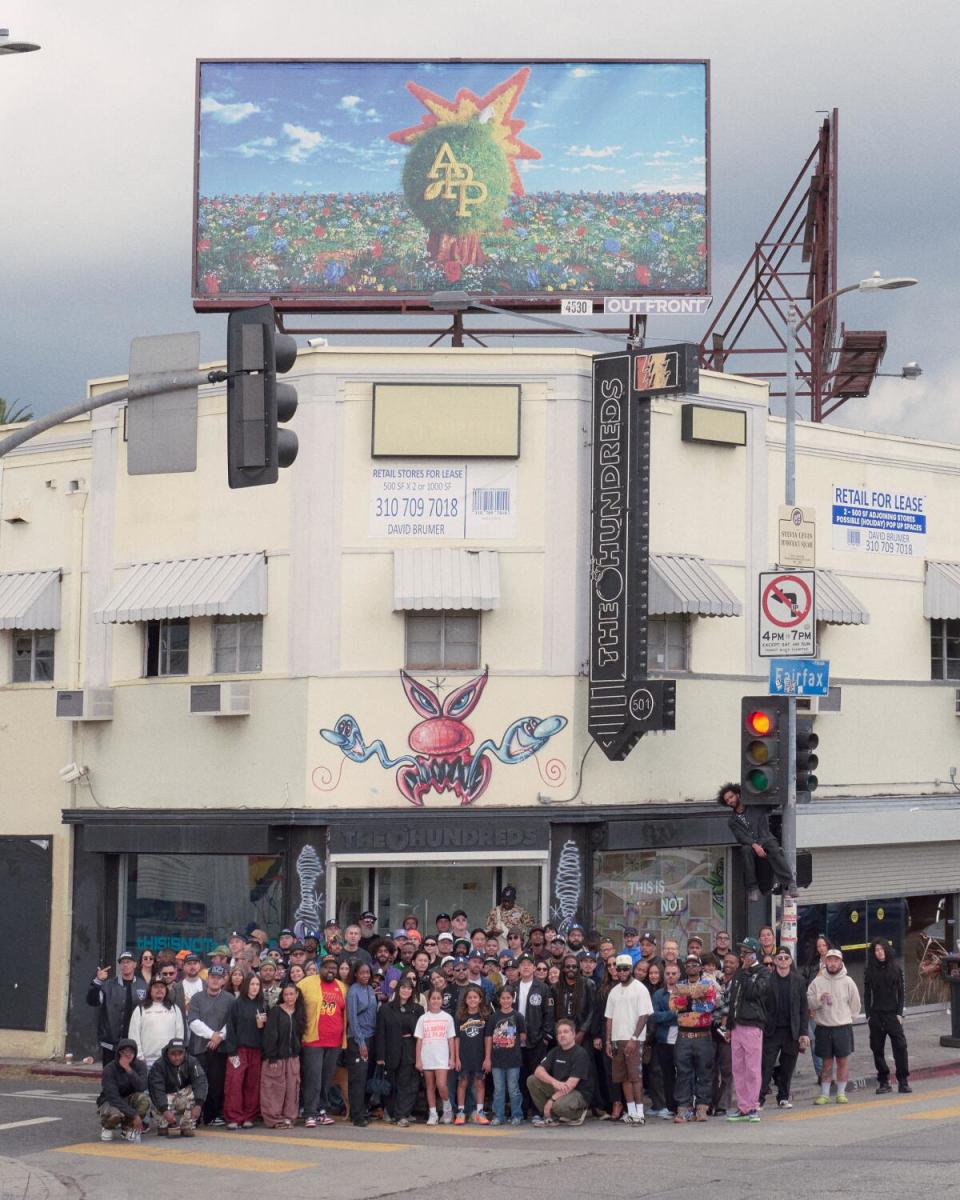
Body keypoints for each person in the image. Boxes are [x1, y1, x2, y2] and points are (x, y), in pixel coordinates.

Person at [718, 782, 796, 899]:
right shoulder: (732, 821)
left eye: (731, 797)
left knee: (774, 850)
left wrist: (772, 789)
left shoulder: (756, 806)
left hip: (766, 839)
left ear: (738, 794)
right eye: (727, 800)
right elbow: (741, 837)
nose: (730, 801)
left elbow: (774, 803)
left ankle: (790, 883)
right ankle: (752, 888)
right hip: (751, 845)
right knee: (745, 850)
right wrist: (755, 845)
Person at [604, 953, 653, 1126]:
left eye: (625, 968)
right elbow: (609, 1017)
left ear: (631, 969)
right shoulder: (614, 991)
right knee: (623, 1078)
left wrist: (634, 1038)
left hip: (634, 1039)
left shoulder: (640, 988)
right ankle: (631, 1111)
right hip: (617, 1039)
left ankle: (640, 1112)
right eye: (619, 969)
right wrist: (608, 1041)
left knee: (635, 1077)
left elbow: (644, 1015)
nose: (622, 972)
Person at [808, 948, 861, 1105]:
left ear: (841, 962)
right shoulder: (817, 981)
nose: (832, 963)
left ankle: (841, 1092)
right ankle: (824, 1093)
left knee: (843, 1061)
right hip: (824, 1027)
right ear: (825, 962)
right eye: (829, 960)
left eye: (836, 960)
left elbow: (855, 1004)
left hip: (842, 1027)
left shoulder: (848, 981)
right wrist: (819, 999)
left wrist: (847, 1018)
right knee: (826, 1063)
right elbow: (809, 1002)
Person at [298, 954, 346, 1128]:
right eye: (327, 967)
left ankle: (322, 1110)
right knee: (313, 1078)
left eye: (334, 968)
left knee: (326, 1078)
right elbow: (292, 1002)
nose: (330, 971)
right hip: (313, 1040)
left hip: (334, 1042)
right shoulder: (306, 983)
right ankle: (309, 1112)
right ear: (320, 968)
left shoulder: (342, 987)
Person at [727, 937, 771, 1122]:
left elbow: (756, 993)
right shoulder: (739, 973)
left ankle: (753, 1106)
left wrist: (746, 973)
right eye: (741, 952)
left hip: (753, 1024)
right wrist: (729, 1024)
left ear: (754, 954)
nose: (742, 956)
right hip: (737, 1025)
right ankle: (742, 1106)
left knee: (752, 1068)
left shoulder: (762, 972)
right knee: (738, 1068)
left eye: (746, 952)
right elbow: (733, 1001)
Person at [759, 948, 809, 1109]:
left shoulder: (799, 980)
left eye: (786, 958)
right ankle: (759, 1099)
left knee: (788, 1066)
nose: (782, 961)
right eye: (779, 958)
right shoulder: (767, 980)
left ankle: (783, 1097)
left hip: (791, 1031)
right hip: (771, 1031)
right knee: (766, 1066)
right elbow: (762, 1006)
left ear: (790, 961)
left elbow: (803, 1009)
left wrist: (803, 1033)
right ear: (774, 961)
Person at [671, 954, 717, 1123]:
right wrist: (695, 997)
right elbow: (674, 1006)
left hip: (703, 1035)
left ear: (700, 967)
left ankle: (702, 1108)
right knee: (683, 1073)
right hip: (683, 1035)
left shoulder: (708, 984)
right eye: (688, 964)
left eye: (694, 964)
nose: (691, 967)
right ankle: (684, 1109)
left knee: (704, 1072)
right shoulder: (679, 985)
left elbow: (709, 1006)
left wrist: (687, 1001)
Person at [187, 963, 235, 1126]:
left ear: (224, 981)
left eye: (219, 978)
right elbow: (193, 1021)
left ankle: (211, 1116)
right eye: (212, 977)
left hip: (220, 1049)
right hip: (199, 1048)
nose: (215, 980)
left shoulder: (230, 999)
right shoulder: (197, 998)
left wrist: (220, 1037)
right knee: (198, 1083)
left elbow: (232, 1023)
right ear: (207, 979)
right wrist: (212, 1035)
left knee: (216, 1084)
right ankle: (195, 1117)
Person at [864, 938, 911, 1094]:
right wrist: (868, 1015)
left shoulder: (896, 968)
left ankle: (903, 1080)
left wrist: (899, 1013)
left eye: (882, 949)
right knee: (877, 1048)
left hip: (893, 1014)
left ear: (887, 950)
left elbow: (901, 993)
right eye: (876, 950)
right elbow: (867, 993)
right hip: (876, 1015)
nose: (879, 953)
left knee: (901, 1047)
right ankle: (884, 1081)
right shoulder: (870, 969)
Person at [375, 978, 423, 1128]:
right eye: (403, 987)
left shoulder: (418, 1009)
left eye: (409, 988)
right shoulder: (385, 1009)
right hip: (391, 1049)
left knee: (407, 1084)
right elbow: (380, 1033)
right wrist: (380, 1056)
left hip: (410, 1049)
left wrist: (420, 1056)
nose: (406, 991)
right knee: (392, 1083)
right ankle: (391, 1111)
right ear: (397, 989)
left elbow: (420, 1034)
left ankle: (401, 1114)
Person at [528, 1018, 593, 1126]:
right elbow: (538, 1071)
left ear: (573, 1034)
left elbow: (571, 1084)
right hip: (560, 1088)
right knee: (532, 1080)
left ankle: (578, 1113)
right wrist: (554, 1082)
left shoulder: (581, 1054)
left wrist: (551, 1100)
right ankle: (551, 1116)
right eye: (559, 1033)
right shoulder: (555, 1051)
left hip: (578, 1092)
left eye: (566, 1032)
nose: (562, 1035)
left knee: (557, 1106)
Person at [223, 972, 266, 1129]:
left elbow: (265, 1030)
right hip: (239, 1049)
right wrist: (232, 1052)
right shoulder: (237, 1003)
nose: (255, 987)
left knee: (252, 1084)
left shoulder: (262, 1004)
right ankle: (233, 1116)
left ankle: (249, 1116)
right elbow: (230, 1027)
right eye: (252, 984)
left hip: (256, 1049)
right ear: (246, 985)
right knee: (235, 1082)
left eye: (257, 984)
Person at [515, 953, 556, 1114]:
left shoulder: (543, 988)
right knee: (519, 1077)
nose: (525, 967)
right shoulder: (512, 987)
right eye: (522, 964)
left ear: (533, 967)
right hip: (516, 1041)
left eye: (528, 964)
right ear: (519, 968)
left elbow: (549, 1014)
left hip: (537, 1040)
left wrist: (545, 1037)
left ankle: (538, 1110)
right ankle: (523, 1110)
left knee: (537, 1076)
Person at [260, 982, 305, 1128]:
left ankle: (289, 1118)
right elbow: (269, 1035)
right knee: (274, 1089)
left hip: (293, 1057)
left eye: (292, 994)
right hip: (277, 1057)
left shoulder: (299, 1012)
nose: (289, 997)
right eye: (286, 994)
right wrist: (271, 1056)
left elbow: (300, 1035)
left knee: (293, 1088)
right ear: (282, 996)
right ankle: (274, 1119)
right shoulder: (276, 1011)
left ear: (297, 995)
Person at [87, 951, 141, 1065]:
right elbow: (92, 1001)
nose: (125, 965)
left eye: (128, 962)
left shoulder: (143, 986)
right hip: (110, 1042)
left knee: (130, 1077)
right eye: (122, 962)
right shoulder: (108, 985)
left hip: (133, 1041)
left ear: (135, 964)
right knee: (110, 1077)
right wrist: (97, 981)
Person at [148, 1037, 207, 1138]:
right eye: (173, 1054)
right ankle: (162, 1125)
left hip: (181, 1095)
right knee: (153, 1100)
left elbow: (200, 1081)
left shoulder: (192, 1062)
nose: (177, 1057)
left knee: (194, 1093)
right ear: (167, 1053)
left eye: (180, 1054)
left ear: (185, 1053)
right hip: (165, 1098)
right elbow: (156, 1090)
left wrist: (199, 1104)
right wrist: (165, 1110)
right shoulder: (158, 1066)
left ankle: (186, 1125)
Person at [484, 986, 526, 1126]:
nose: (506, 1000)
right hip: (497, 1060)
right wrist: (488, 1058)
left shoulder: (518, 1016)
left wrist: (511, 1040)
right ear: (499, 999)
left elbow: (523, 1036)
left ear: (513, 998)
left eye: (508, 998)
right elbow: (489, 1037)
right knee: (498, 1089)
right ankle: (499, 1115)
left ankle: (516, 1114)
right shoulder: (493, 1017)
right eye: (503, 998)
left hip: (513, 1059)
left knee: (513, 1089)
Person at [415, 988, 456, 1125]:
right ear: (429, 1000)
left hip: (442, 1058)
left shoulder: (447, 1017)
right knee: (430, 1086)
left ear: (442, 1000)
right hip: (427, 1056)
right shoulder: (423, 1018)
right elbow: (419, 1040)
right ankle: (433, 1114)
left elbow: (451, 1039)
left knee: (441, 1084)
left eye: (439, 998)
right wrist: (418, 1059)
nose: (436, 1001)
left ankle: (447, 1107)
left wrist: (452, 1058)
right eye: (433, 998)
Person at [97, 1037, 150, 1142]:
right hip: (111, 1101)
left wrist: (129, 1070)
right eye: (124, 1052)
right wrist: (134, 1115)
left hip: (129, 1098)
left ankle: (128, 1127)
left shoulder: (140, 1066)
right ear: (118, 1053)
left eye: (131, 1052)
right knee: (114, 1114)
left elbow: (142, 1087)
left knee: (144, 1099)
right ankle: (107, 1127)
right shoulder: (109, 1069)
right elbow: (113, 1097)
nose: (128, 1055)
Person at [346, 961, 379, 1127]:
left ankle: (362, 1110)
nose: (365, 975)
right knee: (357, 1078)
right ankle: (357, 1115)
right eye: (362, 972)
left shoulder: (371, 989)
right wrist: (360, 1043)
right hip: (358, 1039)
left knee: (366, 1077)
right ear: (356, 974)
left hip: (372, 1036)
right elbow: (352, 1019)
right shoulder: (353, 991)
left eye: (368, 972)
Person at [128, 978, 185, 1069]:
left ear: (166, 990)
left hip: (169, 1062)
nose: (159, 989)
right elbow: (133, 1035)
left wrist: (176, 1056)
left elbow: (179, 1034)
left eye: (162, 987)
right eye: (156, 987)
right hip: (146, 1062)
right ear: (150, 990)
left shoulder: (174, 1008)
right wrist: (139, 1057)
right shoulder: (140, 1009)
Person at [454, 984, 490, 1124]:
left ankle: (480, 1112)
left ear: (480, 999)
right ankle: (461, 1112)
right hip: (464, 1055)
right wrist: (456, 1057)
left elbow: (488, 1038)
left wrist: (487, 1058)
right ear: (465, 1000)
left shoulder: (485, 1016)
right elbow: (456, 1038)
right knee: (462, 1083)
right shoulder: (460, 1016)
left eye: (475, 997)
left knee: (479, 1083)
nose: (472, 999)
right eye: (470, 997)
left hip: (479, 1055)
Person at [649, 962, 680, 1119]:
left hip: (682, 1040)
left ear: (679, 975)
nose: (671, 976)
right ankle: (670, 1106)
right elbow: (655, 1016)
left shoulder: (684, 993)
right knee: (667, 1074)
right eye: (668, 973)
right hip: (664, 1040)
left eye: (674, 973)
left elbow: (687, 1016)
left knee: (683, 1073)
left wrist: (668, 1015)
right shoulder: (658, 995)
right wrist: (673, 1015)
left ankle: (683, 1104)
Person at [711, 951, 739, 1116]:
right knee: (711, 1069)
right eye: (726, 962)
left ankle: (722, 1104)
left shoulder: (738, 982)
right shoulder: (714, 979)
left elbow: (732, 1005)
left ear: (737, 965)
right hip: (712, 1027)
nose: (728, 964)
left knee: (727, 1069)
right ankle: (711, 1102)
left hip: (729, 1029)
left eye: (732, 962)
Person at [555, 955, 596, 1046]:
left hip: (584, 1034)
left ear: (578, 968)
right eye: (568, 966)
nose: (571, 969)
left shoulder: (588, 984)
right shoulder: (556, 987)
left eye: (574, 967)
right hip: (562, 1033)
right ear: (563, 969)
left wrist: (582, 1032)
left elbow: (592, 1011)